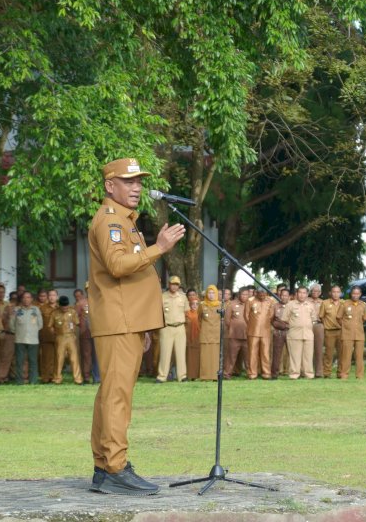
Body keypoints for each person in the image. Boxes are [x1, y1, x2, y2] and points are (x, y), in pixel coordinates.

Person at [87, 157, 185, 496]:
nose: (137, 187)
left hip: (126, 321)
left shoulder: (125, 222)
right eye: (129, 182)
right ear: (110, 186)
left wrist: (143, 326)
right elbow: (117, 265)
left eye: (139, 181)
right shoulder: (110, 221)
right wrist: (160, 248)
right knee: (117, 397)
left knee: (111, 395)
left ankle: (104, 465)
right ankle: (114, 466)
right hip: (118, 322)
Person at [157, 276, 189, 383]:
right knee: (165, 353)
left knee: (181, 353)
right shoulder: (162, 297)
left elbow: (187, 311)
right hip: (167, 327)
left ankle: (182, 376)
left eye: (176, 284)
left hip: (180, 327)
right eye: (172, 284)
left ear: (179, 286)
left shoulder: (183, 297)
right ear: (169, 284)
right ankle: (162, 376)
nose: (174, 286)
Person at [281, 286, 316, 379]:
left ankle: (308, 374)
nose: (302, 295)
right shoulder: (290, 305)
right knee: (295, 357)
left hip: (308, 334)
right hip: (294, 334)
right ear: (296, 294)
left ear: (307, 294)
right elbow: (285, 319)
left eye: (304, 293)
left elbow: (313, 319)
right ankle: (294, 375)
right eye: (300, 292)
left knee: (308, 356)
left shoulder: (310, 305)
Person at [10, 291, 42, 385]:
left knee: (33, 361)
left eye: (28, 297)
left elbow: (40, 324)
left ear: (32, 299)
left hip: (33, 340)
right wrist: (18, 332)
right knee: (19, 361)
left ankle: (33, 381)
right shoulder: (16, 310)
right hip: (20, 339)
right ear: (21, 299)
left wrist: (33, 331)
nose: (26, 299)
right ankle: (19, 381)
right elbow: (12, 324)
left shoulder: (36, 310)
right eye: (24, 297)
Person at [338, 286, 366, 379]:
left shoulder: (363, 305)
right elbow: (339, 317)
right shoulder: (344, 304)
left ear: (360, 294)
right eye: (354, 293)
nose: (355, 295)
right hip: (347, 334)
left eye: (357, 293)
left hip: (359, 334)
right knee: (346, 356)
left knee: (359, 356)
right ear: (351, 294)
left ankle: (359, 375)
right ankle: (344, 374)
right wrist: (345, 326)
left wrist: (356, 325)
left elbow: (365, 318)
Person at [51, 295, 82, 384]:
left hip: (71, 337)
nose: (65, 308)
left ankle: (78, 379)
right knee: (59, 358)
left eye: (66, 306)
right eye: (63, 306)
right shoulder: (55, 313)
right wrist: (56, 334)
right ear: (59, 305)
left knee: (74, 358)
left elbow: (77, 323)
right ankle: (57, 379)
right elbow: (50, 326)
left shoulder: (72, 312)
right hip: (60, 337)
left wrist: (74, 334)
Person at [246, 287, 275, 380]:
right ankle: (252, 374)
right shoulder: (250, 300)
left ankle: (266, 373)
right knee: (252, 353)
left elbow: (271, 315)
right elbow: (246, 315)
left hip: (266, 331)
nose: (262, 295)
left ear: (266, 294)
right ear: (256, 293)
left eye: (264, 294)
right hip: (253, 331)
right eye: (260, 294)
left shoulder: (270, 301)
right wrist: (252, 325)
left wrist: (265, 324)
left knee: (265, 353)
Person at [223, 288, 249, 379]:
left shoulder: (250, 304)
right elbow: (227, 320)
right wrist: (234, 328)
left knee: (248, 356)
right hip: (234, 335)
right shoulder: (232, 304)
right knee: (231, 356)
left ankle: (250, 374)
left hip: (247, 335)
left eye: (246, 294)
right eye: (243, 294)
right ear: (239, 294)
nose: (245, 296)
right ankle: (227, 374)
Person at [199, 285, 222, 381]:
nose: (211, 295)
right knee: (205, 356)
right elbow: (198, 318)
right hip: (205, 334)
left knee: (215, 356)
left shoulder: (221, 305)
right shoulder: (202, 304)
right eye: (209, 292)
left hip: (216, 334)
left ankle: (215, 376)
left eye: (213, 293)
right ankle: (204, 376)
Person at [319, 286, 343, 378]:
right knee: (328, 353)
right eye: (334, 292)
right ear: (330, 293)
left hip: (341, 331)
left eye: (338, 292)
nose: (336, 294)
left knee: (342, 353)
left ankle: (340, 373)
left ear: (340, 293)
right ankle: (327, 373)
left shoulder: (344, 303)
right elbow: (321, 317)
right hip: (329, 332)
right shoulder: (325, 303)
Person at [0, 285, 16, 384]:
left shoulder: (8, 305)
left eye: (3, 292)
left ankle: (8, 376)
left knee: (7, 356)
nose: (1, 294)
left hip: (6, 333)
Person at [38, 289, 59, 383]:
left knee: (58, 358)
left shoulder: (60, 308)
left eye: (54, 295)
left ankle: (56, 377)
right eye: (50, 295)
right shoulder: (42, 308)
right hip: (46, 336)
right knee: (46, 358)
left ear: (57, 297)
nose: (52, 297)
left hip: (59, 337)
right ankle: (46, 377)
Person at [270, 288, 290, 379]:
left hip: (291, 333)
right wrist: (280, 325)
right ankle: (274, 374)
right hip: (278, 332)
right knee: (277, 354)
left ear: (289, 297)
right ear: (279, 296)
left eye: (286, 295)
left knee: (293, 354)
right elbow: (271, 320)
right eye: (282, 295)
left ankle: (294, 373)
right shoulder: (275, 306)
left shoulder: (292, 305)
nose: (284, 297)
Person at [309, 284, 325, 378]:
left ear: (320, 292)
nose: (316, 293)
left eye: (318, 291)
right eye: (314, 291)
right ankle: (307, 370)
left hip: (319, 325)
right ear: (311, 292)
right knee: (307, 349)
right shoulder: (306, 301)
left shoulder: (323, 302)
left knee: (319, 349)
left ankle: (319, 372)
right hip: (308, 325)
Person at [185, 295, 201, 380]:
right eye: (193, 303)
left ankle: (197, 375)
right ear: (189, 304)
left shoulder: (201, 314)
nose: (195, 305)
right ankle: (189, 374)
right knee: (189, 357)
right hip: (189, 339)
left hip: (198, 339)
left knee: (198, 358)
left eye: (197, 304)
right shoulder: (186, 314)